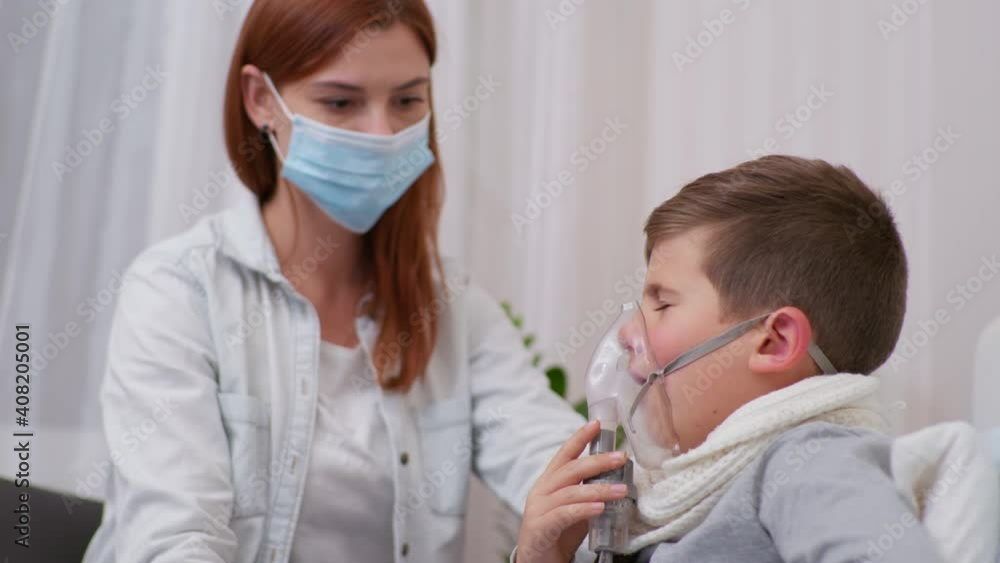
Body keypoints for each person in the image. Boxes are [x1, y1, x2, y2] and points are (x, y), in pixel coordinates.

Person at [82, 1, 586, 562]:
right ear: (260, 99)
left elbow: (564, 469)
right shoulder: (179, 291)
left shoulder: (451, 311)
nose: (381, 133)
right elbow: (173, 543)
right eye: (341, 102)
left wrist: (650, 417)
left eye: (407, 101)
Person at [514, 155, 957, 562]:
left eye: (663, 304)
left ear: (774, 342)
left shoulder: (811, 460)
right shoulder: (670, 501)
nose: (629, 333)